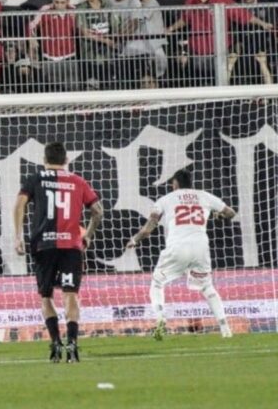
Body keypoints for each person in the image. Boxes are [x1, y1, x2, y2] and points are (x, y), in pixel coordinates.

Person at [14, 142, 103, 363]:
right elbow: (98, 210)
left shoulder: (35, 179)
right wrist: (88, 234)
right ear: (66, 160)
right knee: (70, 294)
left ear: (44, 159)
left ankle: (55, 341)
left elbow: (19, 205)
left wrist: (18, 236)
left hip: (44, 246)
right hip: (71, 247)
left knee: (46, 296)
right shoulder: (78, 181)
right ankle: (72, 342)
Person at [127, 169, 236, 340]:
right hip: (200, 248)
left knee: (157, 281)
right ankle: (225, 329)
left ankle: (161, 318)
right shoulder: (204, 196)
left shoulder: (165, 200)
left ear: (175, 184)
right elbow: (231, 213)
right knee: (207, 287)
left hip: (177, 247)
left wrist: (135, 239)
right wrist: (217, 216)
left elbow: (150, 226)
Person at [165, 0, 273, 85]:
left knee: (219, 83)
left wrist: (263, 24)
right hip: (197, 51)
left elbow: (243, 15)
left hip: (218, 50)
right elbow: (185, 18)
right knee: (197, 83)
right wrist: (171, 28)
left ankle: (222, 101)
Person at [28, 0, 78, 92]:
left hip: (70, 57)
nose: (59, 6)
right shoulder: (45, 10)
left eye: (62, 2)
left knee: (72, 93)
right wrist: (32, 38)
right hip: (49, 59)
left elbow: (80, 28)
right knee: (52, 93)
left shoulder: (74, 11)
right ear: (53, 0)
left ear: (68, 1)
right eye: (57, 2)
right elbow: (31, 26)